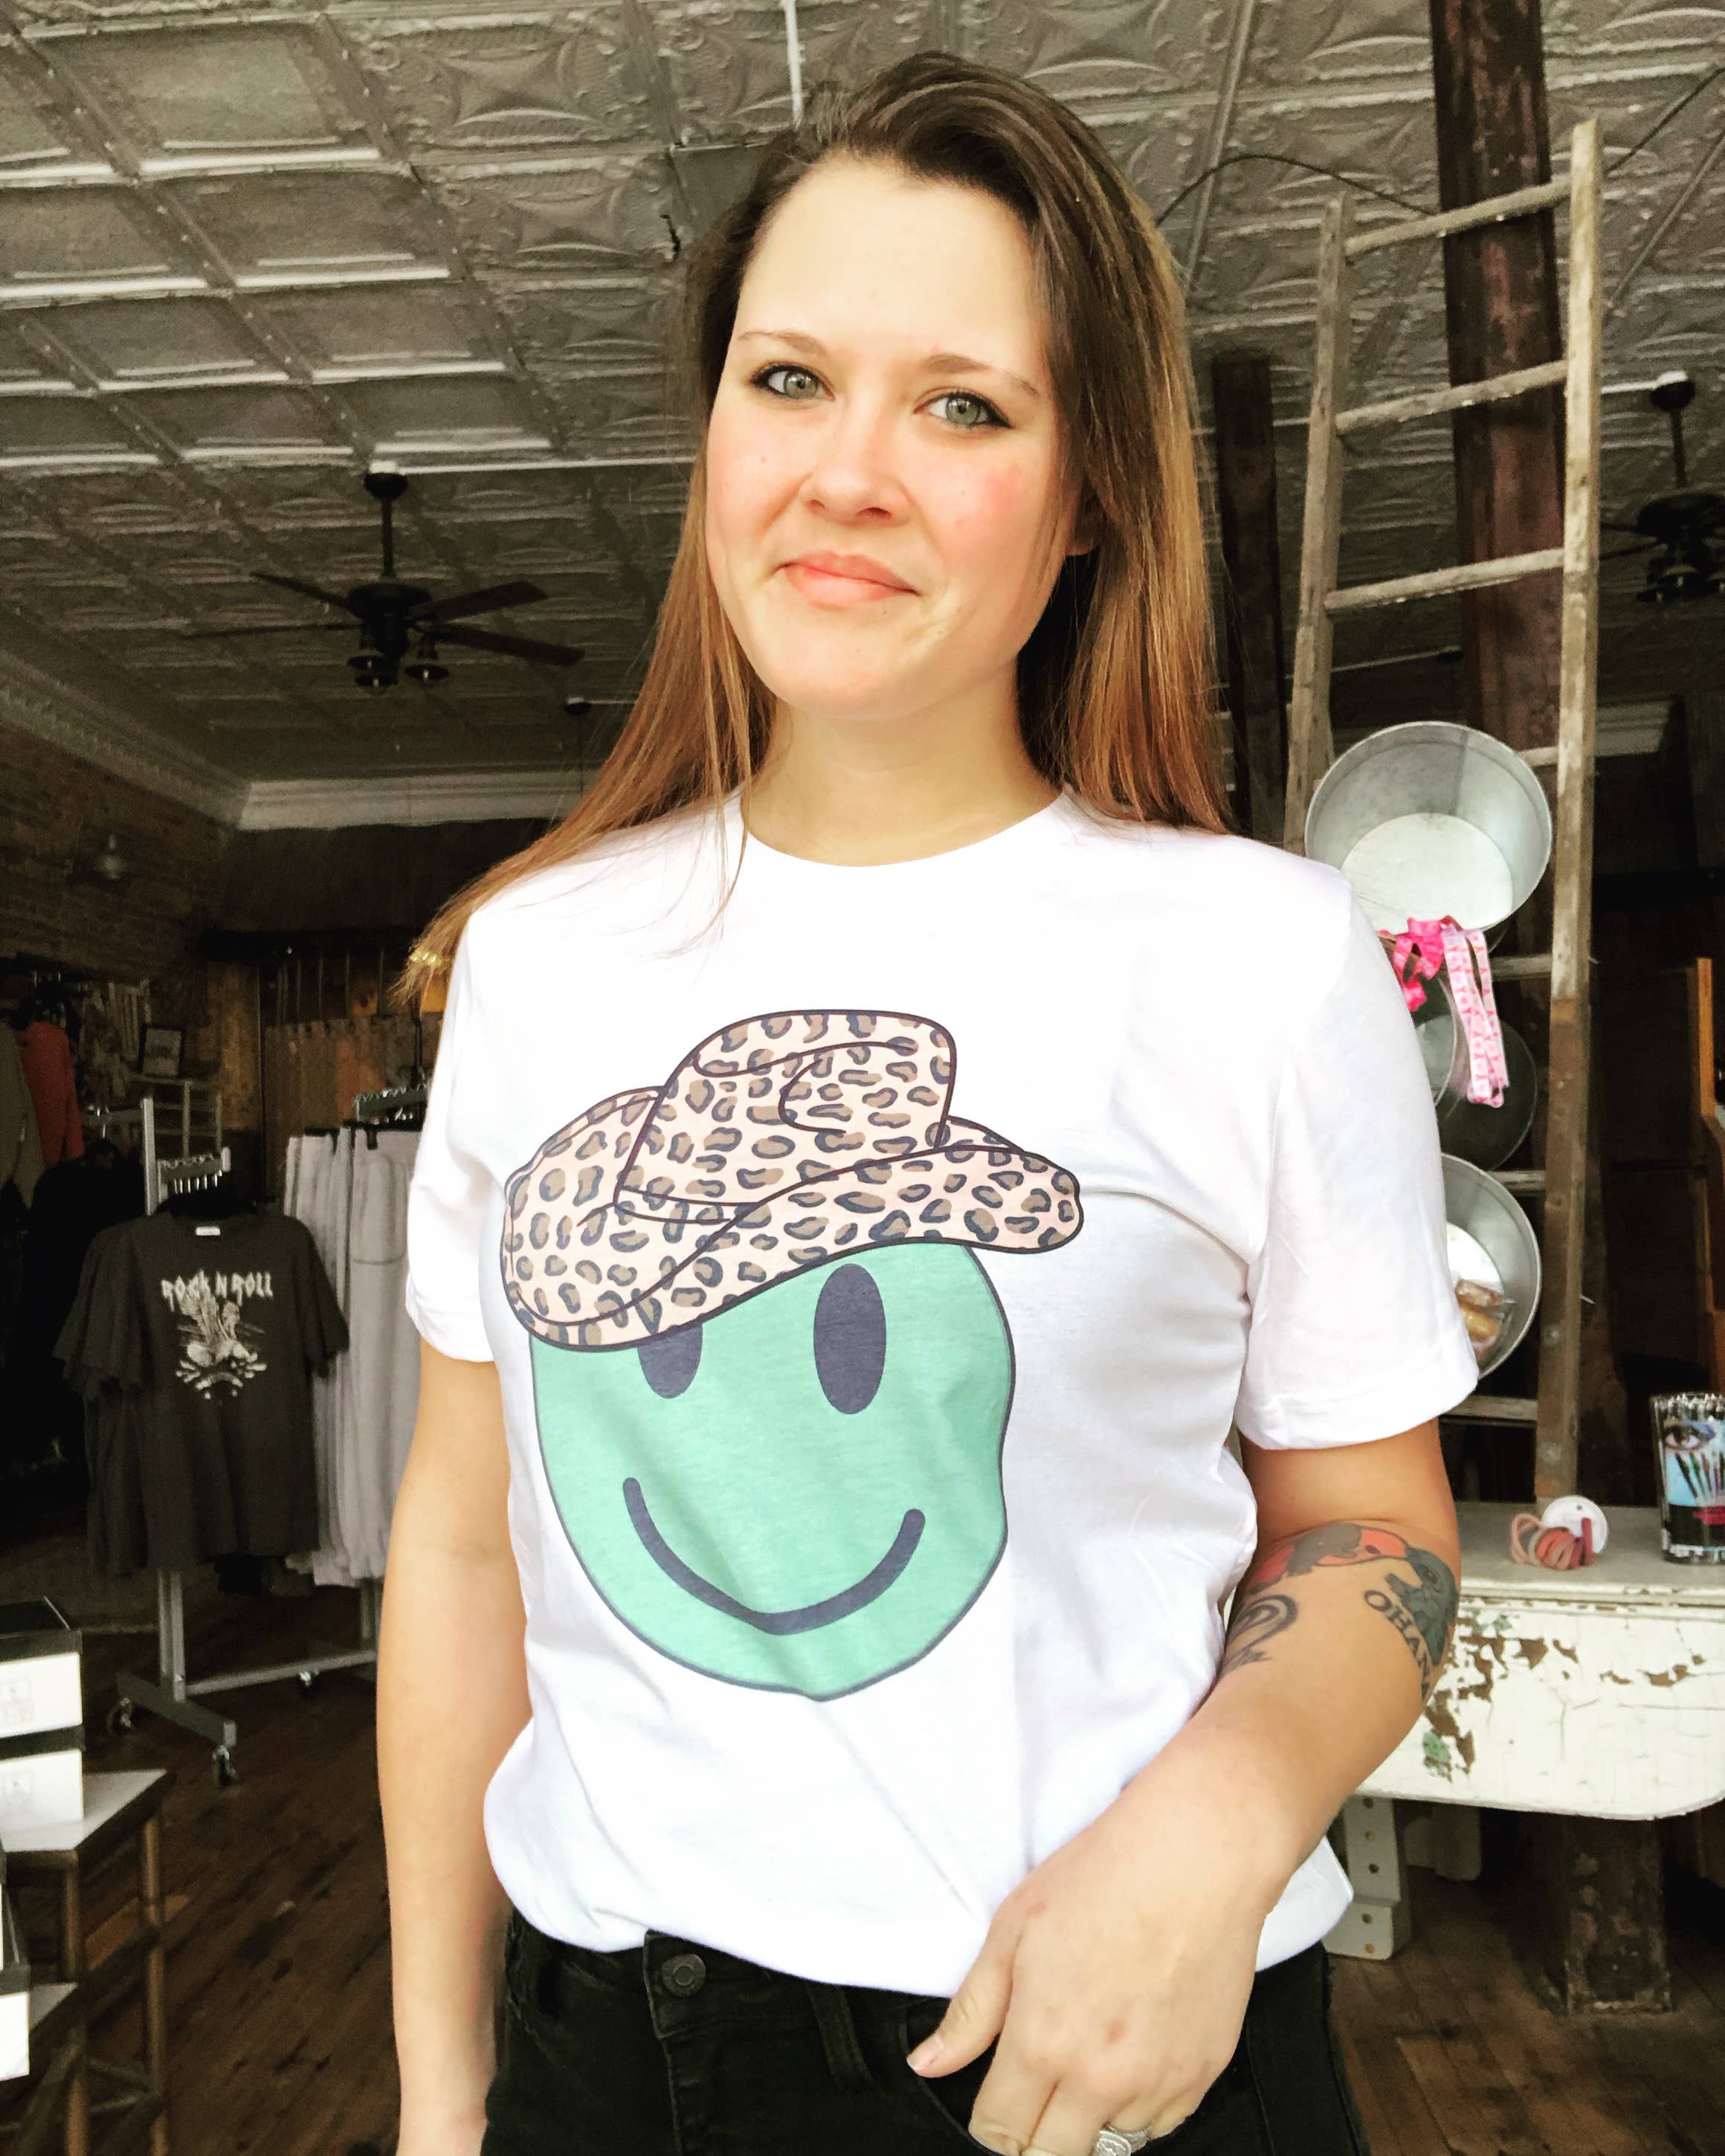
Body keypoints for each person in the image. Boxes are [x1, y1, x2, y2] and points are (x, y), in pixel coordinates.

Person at [381, 51, 1475, 2156]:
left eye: (963, 405)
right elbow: (454, 1539)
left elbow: (1373, 1520)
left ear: (1090, 496)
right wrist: (441, 2096)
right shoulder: (538, 963)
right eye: (789, 380)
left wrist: (1225, 1822)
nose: (849, 473)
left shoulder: (1261, 953)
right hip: (623, 2056)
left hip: (1122, 2047)